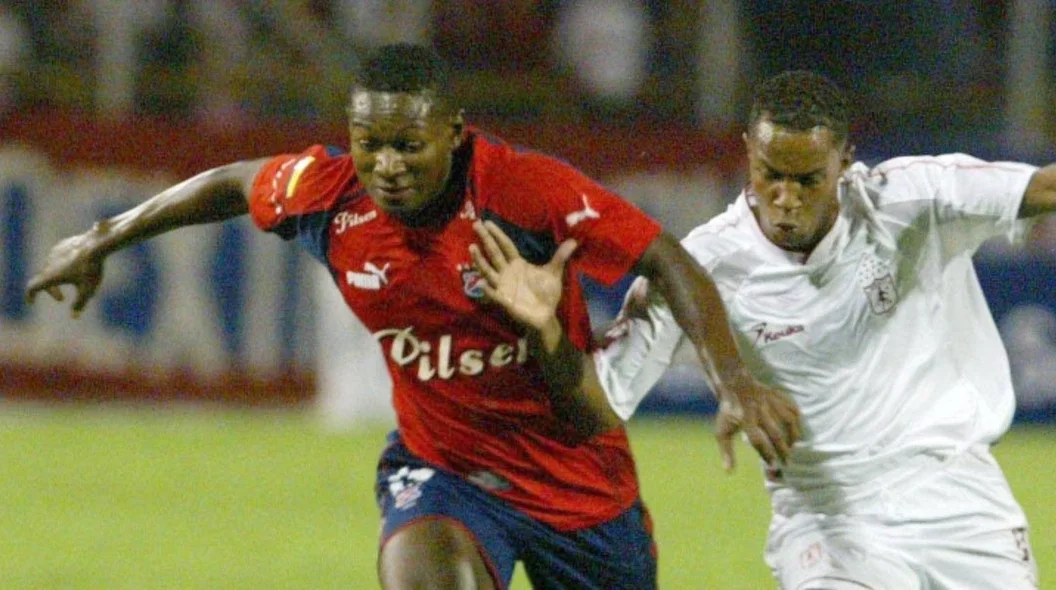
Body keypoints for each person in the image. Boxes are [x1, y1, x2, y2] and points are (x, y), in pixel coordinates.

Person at [22, 43, 800, 590]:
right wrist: (103, 236)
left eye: (409, 145)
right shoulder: (327, 192)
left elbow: (666, 257)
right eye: (371, 144)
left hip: (578, 483)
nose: (388, 165)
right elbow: (232, 182)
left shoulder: (524, 192)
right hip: (442, 473)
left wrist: (731, 379)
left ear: (453, 133)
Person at [482, 70, 1056, 589]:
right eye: (768, 175)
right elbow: (601, 403)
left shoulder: (909, 199)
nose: (783, 196)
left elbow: (1050, 188)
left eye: (805, 178)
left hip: (956, 492)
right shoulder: (699, 266)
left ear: (844, 163)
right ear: (747, 161)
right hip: (826, 515)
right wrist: (548, 332)